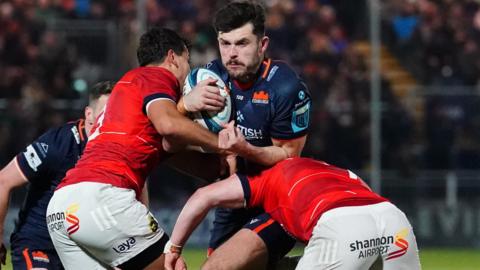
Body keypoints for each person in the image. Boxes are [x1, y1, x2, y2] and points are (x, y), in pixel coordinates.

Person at [46, 27, 235, 270]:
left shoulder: (128, 95)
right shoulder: (155, 76)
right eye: (187, 61)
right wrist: (223, 144)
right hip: (102, 197)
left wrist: (222, 166)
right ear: (172, 58)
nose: (188, 71)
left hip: (63, 205)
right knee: (173, 267)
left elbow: (174, 150)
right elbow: (169, 125)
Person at [164, 125, 421, 270]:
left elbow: (203, 197)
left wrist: (173, 249)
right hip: (392, 218)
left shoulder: (264, 178)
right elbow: (366, 192)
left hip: (343, 228)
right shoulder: (331, 169)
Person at [177, 2, 312, 268]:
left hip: (276, 200)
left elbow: (288, 155)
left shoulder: (285, 87)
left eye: (242, 43)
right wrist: (185, 105)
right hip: (232, 199)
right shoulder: (209, 77)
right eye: (225, 43)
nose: (232, 54)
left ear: (262, 45)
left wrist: (244, 149)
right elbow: (171, 133)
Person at [0, 81, 113, 270]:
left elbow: (138, 188)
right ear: (89, 114)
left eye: (115, 115)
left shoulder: (118, 148)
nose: (108, 121)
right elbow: (3, 180)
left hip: (84, 250)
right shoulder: (57, 145)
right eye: (104, 114)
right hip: (39, 244)